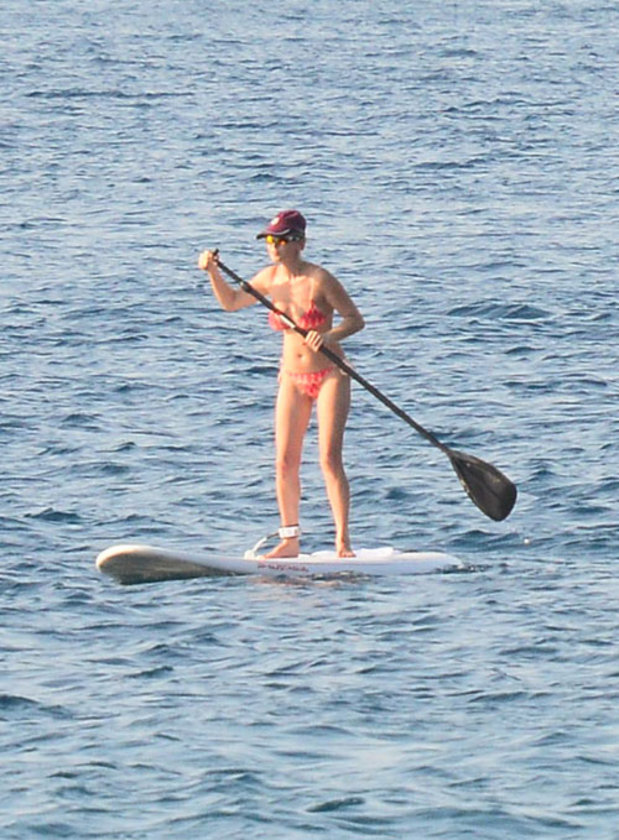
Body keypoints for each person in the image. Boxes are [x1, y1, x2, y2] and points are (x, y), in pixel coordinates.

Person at [198, 210, 365, 559]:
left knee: (328, 459)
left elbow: (355, 320)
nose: (274, 246)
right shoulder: (268, 279)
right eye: (270, 240)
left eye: (282, 240)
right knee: (285, 461)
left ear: (300, 243)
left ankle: (342, 542)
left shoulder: (320, 280)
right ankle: (290, 540)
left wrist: (330, 336)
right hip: (292, 376)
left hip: (330, 374)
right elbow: (231, 303)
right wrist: (213, 272)